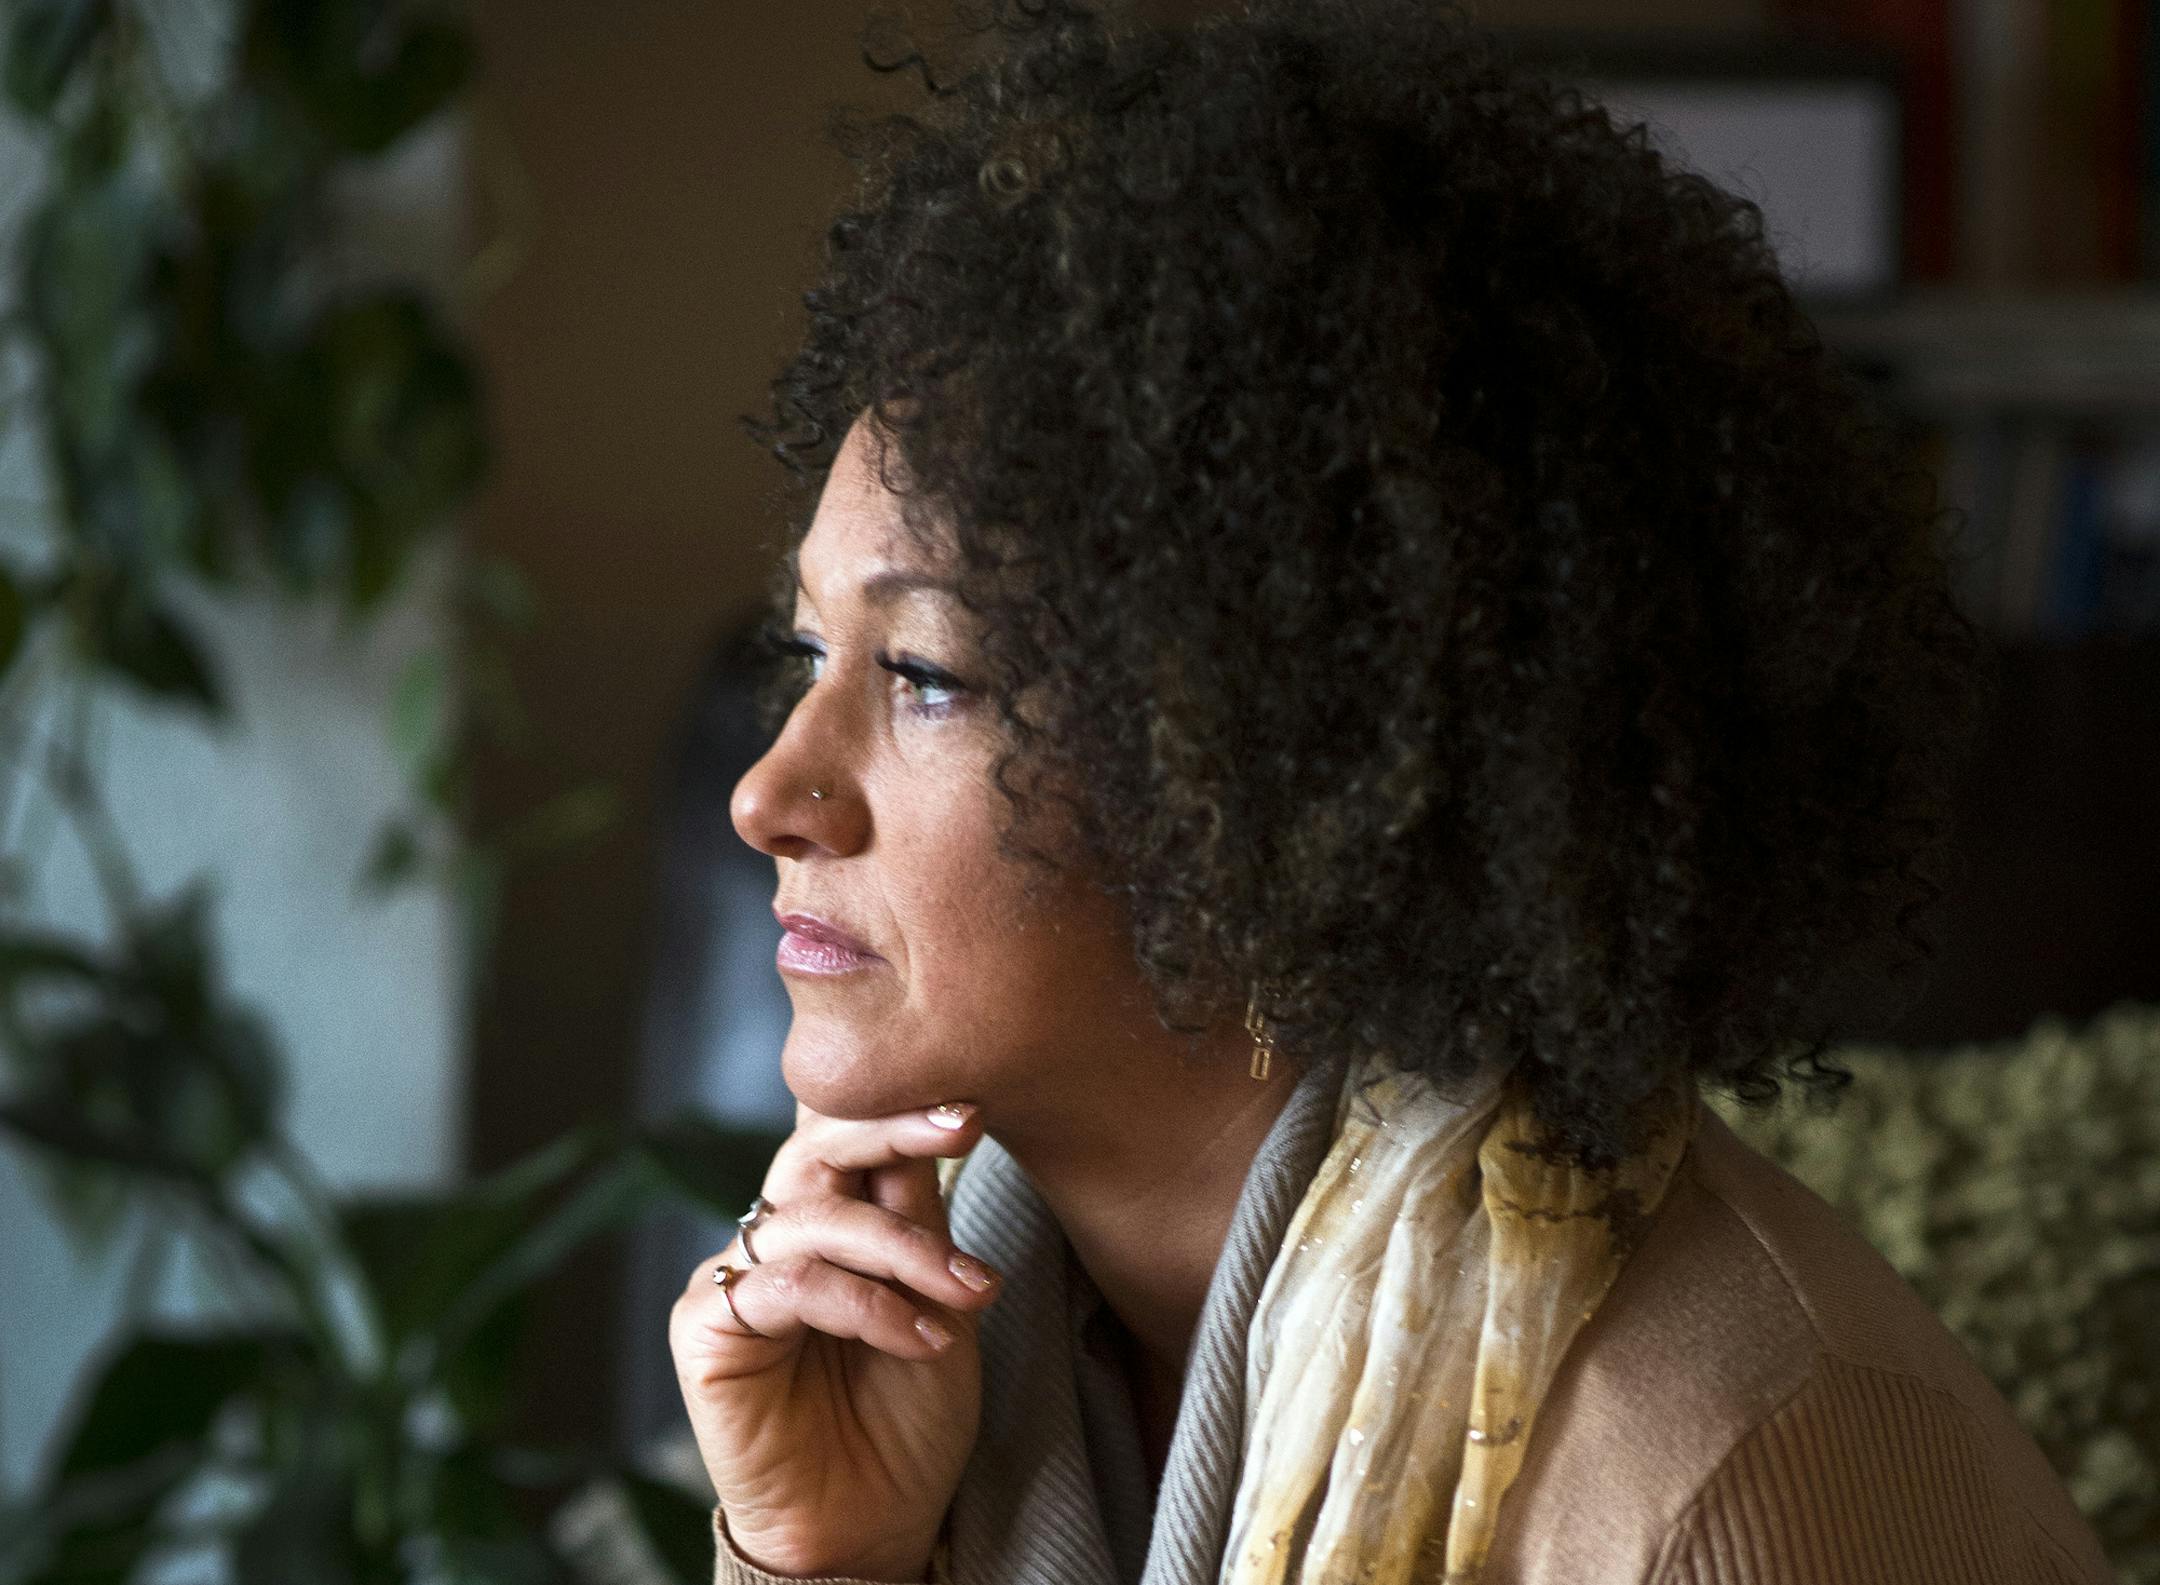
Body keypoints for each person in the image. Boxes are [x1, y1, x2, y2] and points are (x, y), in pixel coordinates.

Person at [668, 2, 2117, 1582]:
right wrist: (823, 1554)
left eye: (926, 675)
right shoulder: (956, 1357)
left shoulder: (1735, 1467)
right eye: (809, 651)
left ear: (1274, 773)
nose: (770, 794)